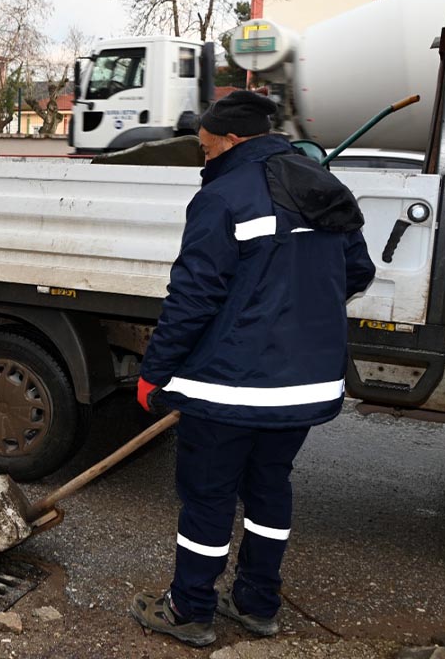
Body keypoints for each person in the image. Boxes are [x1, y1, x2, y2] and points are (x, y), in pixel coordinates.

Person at [129, 90, 376, 647]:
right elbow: (356, 272)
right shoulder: (322, 185)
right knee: (270, 490)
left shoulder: (224, 196)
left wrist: (156, 370)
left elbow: (192, 297)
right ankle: (257, 602)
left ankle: (190, 608)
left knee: (209, 497)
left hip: (233, 387)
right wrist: (294, 306)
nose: (201, 147)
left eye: (207, 140)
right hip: (302, 386)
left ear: (233, 140)